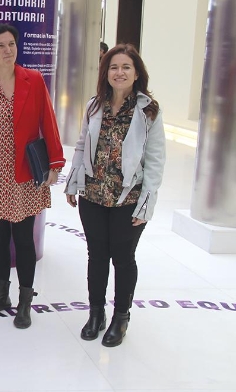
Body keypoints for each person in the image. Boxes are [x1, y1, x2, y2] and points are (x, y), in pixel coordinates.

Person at [0, 23, 65, 329]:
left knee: (23, 239)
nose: (9, 50)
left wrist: (55, 163)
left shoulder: (33, 80)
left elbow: (49, 120)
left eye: (12, 44)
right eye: (1, 46)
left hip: (24, 175)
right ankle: (2, 295)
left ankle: (25, 302)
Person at [65, 43, 165, 347]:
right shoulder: (95, 105)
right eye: (113, 67)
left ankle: (121, 317)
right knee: (96, 257)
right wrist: (73, 182)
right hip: (93, 196)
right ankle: (96, 313)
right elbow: (82, 145)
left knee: (122, 258)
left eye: (125, 67)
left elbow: (155, 160)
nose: (119, 72)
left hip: (128, 200)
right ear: (105, 73)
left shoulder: (149, 111)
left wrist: (146, 205)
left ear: (136, 74)